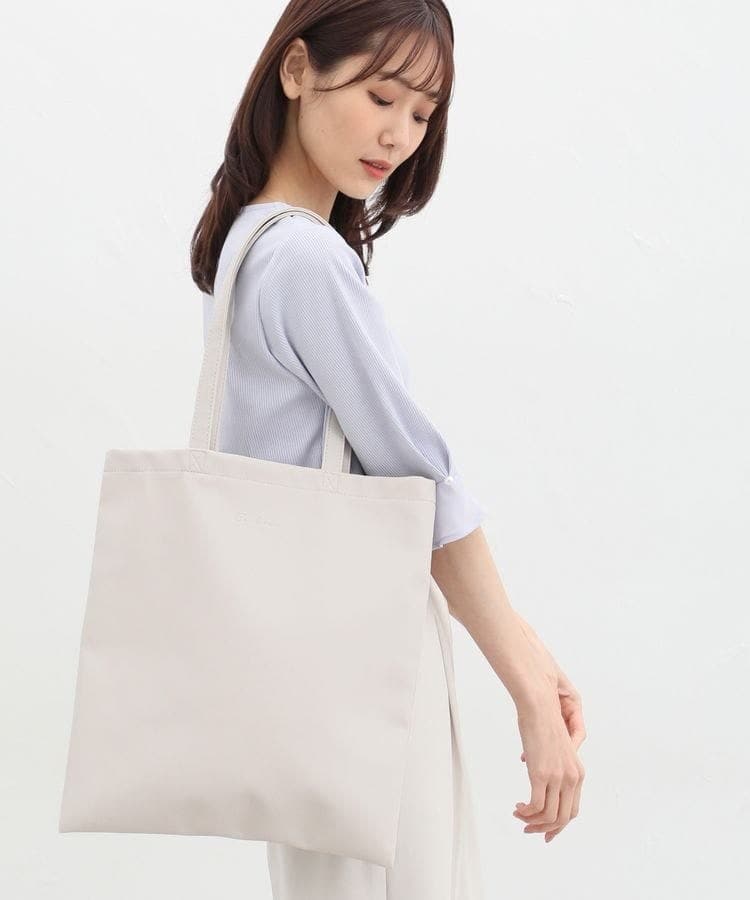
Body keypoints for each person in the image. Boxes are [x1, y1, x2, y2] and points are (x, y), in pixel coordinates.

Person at [189, 2, 587, 897]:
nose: (399, 135)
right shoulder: (306, 262)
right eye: (381, 97)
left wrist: (530, 650)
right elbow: (421, 486)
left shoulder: (246, 242)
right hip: (362, 669)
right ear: (297, 70)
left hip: (302, 670)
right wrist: (529, 690)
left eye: (422, 112)